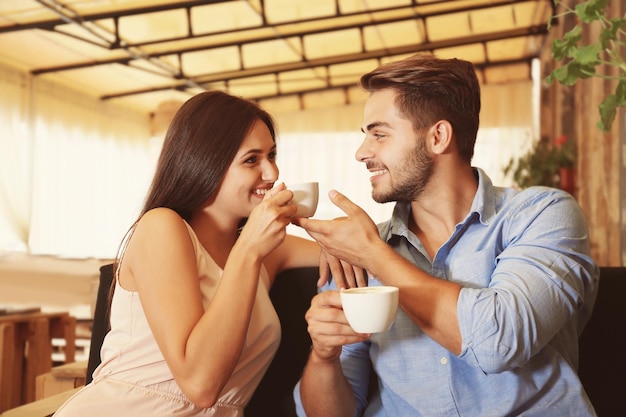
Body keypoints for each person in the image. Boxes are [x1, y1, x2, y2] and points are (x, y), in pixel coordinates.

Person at [291, 53, 599, 417]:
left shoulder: (541, 215)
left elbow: (499, 342)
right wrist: (324, 356)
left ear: (438, 136)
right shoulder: (358, 253)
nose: (362, 153)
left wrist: (374, 255)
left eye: (380, 134)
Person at [53, 90, 361, 417]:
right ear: (205, 161)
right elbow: (200, 385)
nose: (272, 174)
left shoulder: (268, 251)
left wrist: (336, 231)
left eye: (271, 156)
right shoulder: (163, 228)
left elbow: (350, 245)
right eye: (251, 159)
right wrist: (248, 252)